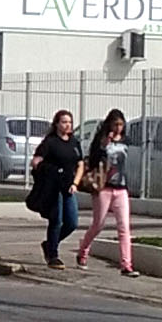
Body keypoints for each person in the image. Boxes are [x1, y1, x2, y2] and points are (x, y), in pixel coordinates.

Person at [76, 108, 137, 277]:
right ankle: (83, 251)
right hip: (103, 187)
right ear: (109, 124)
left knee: (124, 226)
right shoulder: (101, 140)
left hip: (121, 187)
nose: (118, 128)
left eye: (121, 124)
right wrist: (104, 145)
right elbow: (93, 159)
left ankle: (126, 264)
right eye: (115, 124)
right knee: (98, 224)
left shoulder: (126, 141)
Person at [29, 109, 84, 268]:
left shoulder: (74, 142)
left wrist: (75, 183)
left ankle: (50, 244)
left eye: (70, 122)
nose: (68, 125)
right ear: (57, 124)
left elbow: (80, 164)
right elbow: (36, 161)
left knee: (72, 222)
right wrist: (48, 170)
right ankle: (53, 255)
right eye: (64, 122)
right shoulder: (50, 142)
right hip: (53, 187)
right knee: (56, 220)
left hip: (68, 187)